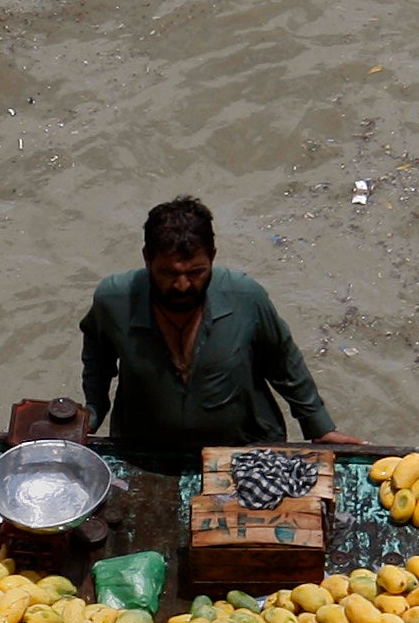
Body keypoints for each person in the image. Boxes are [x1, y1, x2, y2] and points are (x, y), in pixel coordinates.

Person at [79, 196, 364, 469]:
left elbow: (283, 361)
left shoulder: (245, 297)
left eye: (196, 272)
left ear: (213, 257)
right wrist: (93, 411)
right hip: (144, 449)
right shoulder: (113, 300)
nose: (182, 286)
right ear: (147, 259)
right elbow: (97, 355)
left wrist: (319, 426)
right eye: (168, 273)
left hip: (243, 448)